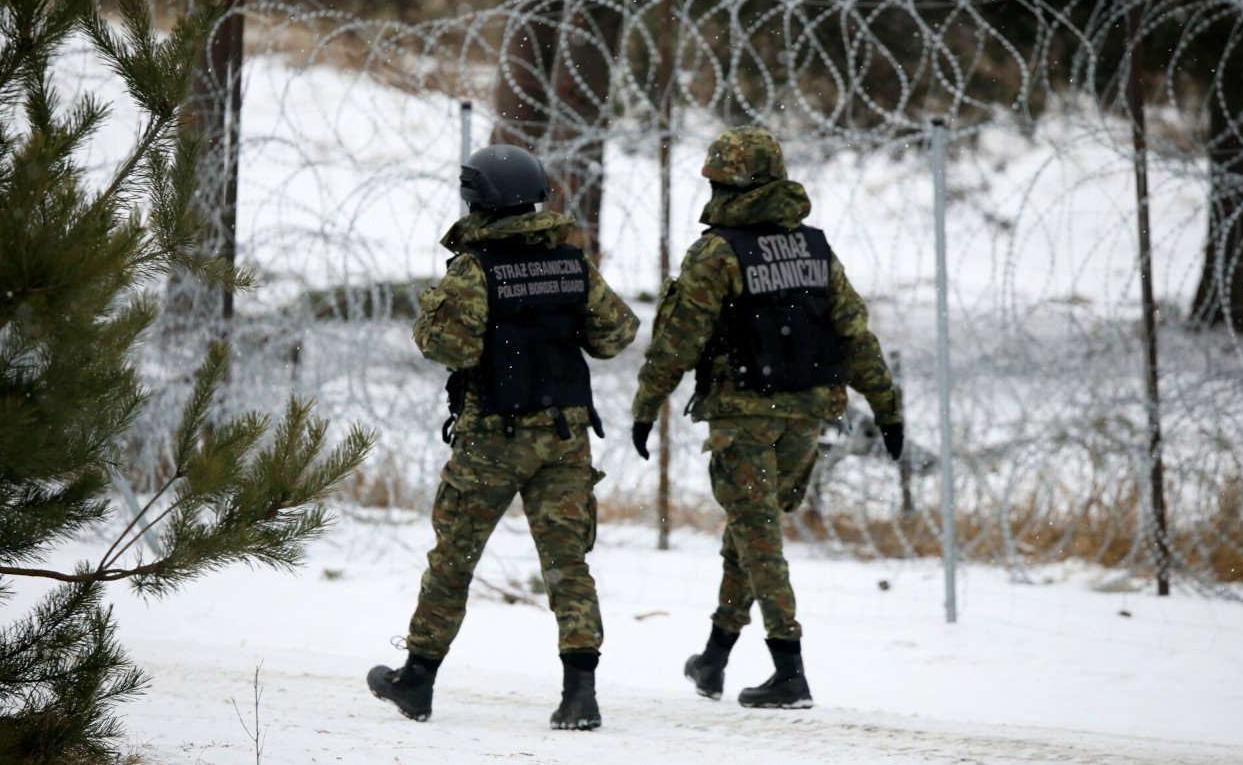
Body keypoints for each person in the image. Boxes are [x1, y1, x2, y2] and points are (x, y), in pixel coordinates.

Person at [630, 126, 903, 708]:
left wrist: (645, 405)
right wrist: (887, 407)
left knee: (759, 536)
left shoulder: (717, 253)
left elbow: (675, 342)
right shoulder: (813, 248)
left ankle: (789, 669)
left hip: (743, 413)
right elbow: (854, 333)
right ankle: (715, 657)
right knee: (750, 533)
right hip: (807, 413)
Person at [367, 144, 639, 730]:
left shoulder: (475, 269)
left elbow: (450, 348)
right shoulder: (571, 263)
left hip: (494, 438)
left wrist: (434, 310)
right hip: (565, 435)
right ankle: (580, 694)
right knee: (568, 563)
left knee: (454, 560)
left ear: (478, 200)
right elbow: (616, 335)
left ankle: (416, 680)